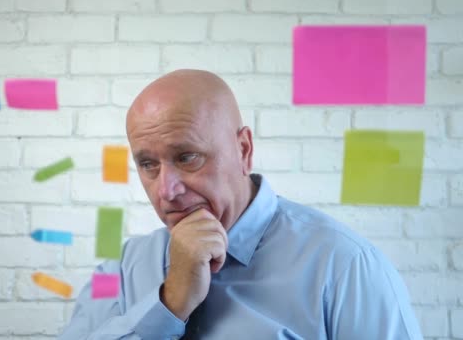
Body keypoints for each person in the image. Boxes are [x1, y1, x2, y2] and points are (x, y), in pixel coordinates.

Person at [58, 69, 423, 339]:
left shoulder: (345, 266)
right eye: (148, 164)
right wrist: (169, 302)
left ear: (243, 150)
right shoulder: (122, 269)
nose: (166, 190)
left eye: (187, 157)